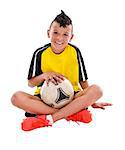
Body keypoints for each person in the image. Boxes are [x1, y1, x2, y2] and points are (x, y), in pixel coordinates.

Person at [11, 10, 112, 131]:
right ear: (48, 33)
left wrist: (92, 101)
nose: (59, 38)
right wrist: (45, 75)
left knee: (97, 90)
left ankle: (49, 118)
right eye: (55, 33)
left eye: (65, 34)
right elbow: (31, 83)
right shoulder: (40, 53)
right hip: (45, 99)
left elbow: (83, 80)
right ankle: (71, 113)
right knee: (16, 97)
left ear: (71, 37)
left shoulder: (75, 52)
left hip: (72, 96)